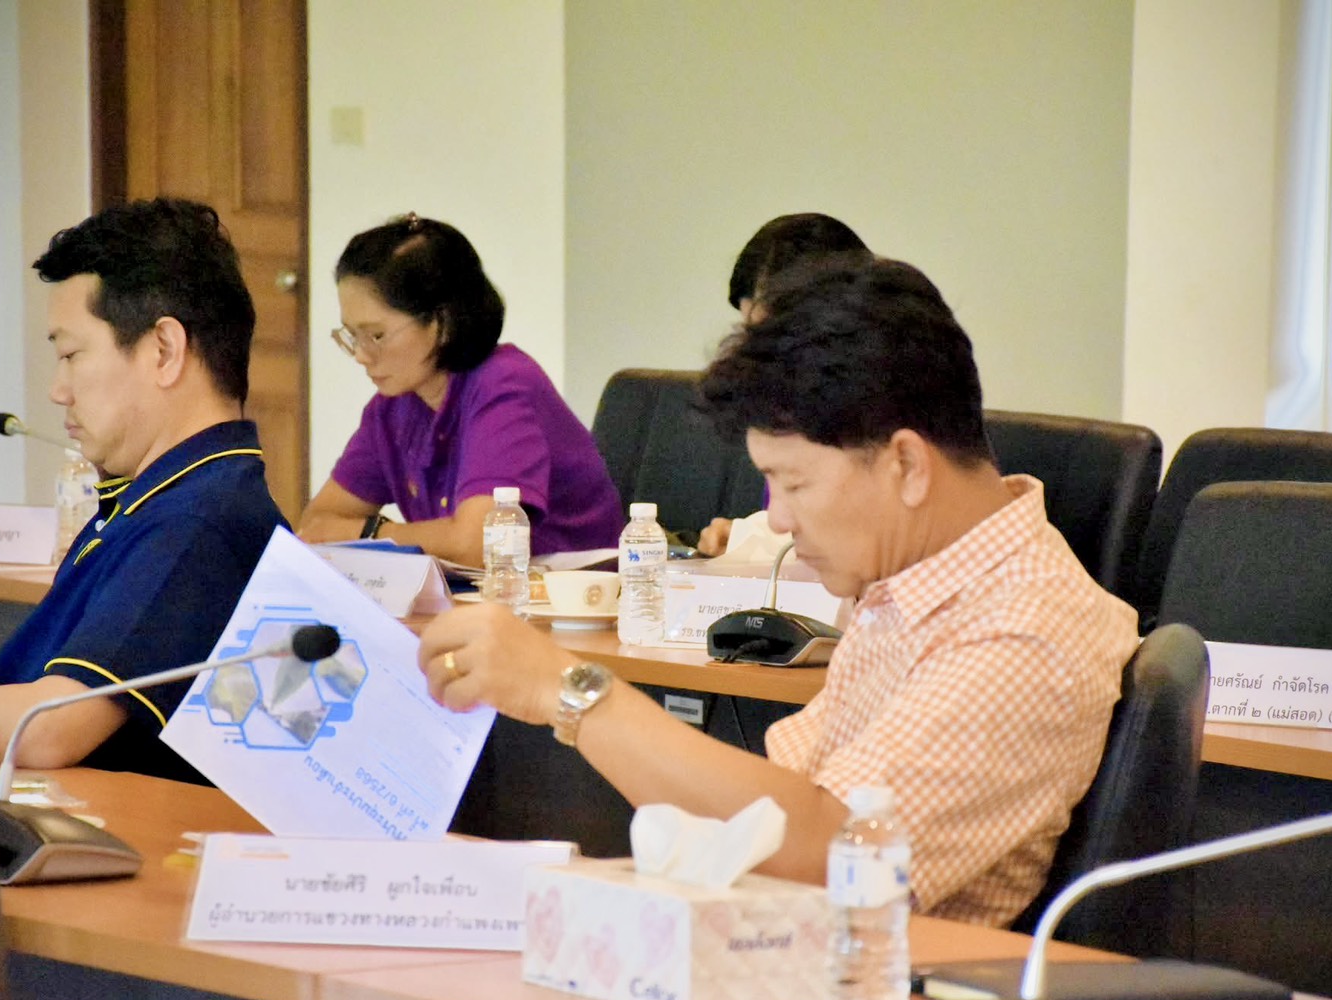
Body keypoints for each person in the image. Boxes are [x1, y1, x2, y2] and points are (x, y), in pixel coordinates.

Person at [418, 256, 1140, 927]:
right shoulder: (916, 587)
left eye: (794, 484)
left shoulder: (1025, 627)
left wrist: (568, 690)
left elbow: (830, 850)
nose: (780, 521)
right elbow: (776, 807)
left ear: (907, 465)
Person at [0, 198, 288, 783]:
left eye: (71, 355)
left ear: (164, 351)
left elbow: (48, 727)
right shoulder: (162, 498)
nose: (57, 390)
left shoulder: (197, 521)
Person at [297, 213, 621, 564]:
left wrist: (371, 533)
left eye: (376, 335)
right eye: (351, 336)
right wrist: (369, 533)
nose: (361, 355)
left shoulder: (503, 385)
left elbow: (480, 544)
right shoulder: (393, 407)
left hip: (576, 589)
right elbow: (318, 524)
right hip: (480, 590)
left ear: (444, 321)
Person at [697, 212, 871, 556]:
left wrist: (756, 542)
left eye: (767, 334)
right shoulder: (789, 403)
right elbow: (789, 529)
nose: (754, 353)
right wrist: (749, 536)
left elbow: (848, 539)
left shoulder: (869, 404)